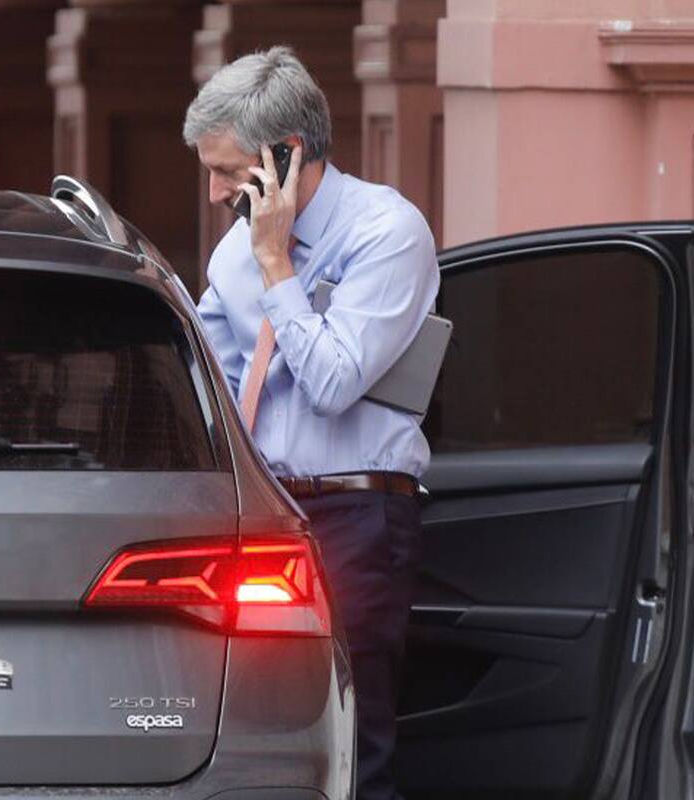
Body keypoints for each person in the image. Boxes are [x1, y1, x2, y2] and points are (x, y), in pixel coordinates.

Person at [183, 46, 439, 800]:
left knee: (355, 739)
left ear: (286, 154)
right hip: (263, 518)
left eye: (227, 172)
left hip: (356, 514)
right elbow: (211, 389)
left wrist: (277, 268)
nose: (214, 193)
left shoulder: (385, 232)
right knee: (261, 737)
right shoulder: (233, 256)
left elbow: (332, 383)